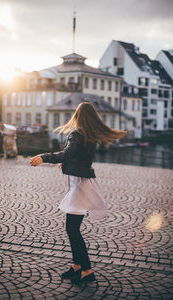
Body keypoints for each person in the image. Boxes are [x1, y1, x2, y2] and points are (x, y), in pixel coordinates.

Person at [30, 102, 126, 284]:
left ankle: (87, 270)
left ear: (78, 116)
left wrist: (44, 157)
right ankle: (76, 266)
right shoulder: (89, 136)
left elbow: (67, 154)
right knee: (72, 229)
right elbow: (80, 157)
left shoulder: (77, 134)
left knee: (72, 229)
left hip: (80, 186)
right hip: (83, 183)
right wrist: (65, 165)